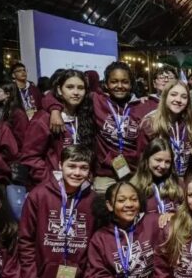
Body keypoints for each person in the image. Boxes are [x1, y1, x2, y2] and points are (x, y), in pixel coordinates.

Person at [18, 145, 96, 278]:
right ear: (60, 165)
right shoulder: (39, 195)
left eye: (83, 168)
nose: (77, 172)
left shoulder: (93, 200)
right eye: (71, 166)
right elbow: (25, 240)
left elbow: (98, 247)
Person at [45, 62, 142, 193]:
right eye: (114, 81)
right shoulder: (96, 100)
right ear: (106, 84)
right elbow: (51, 95)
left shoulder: (143, 106)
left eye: (125, 82)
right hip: (104, 175)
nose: (119, 86)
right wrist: (54, 110)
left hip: (134, 173)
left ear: (131, 84)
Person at [20, 70, 96, 186]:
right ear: (60, 90)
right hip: (54, 187)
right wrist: (51, 180)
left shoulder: (86, 115)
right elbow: (30, 157)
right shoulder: (44, 119)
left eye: (80, 88)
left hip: (82, 183)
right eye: (70, 87)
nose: (76, 92)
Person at [137, 81, 192, 179]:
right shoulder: (150, 124)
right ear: (165, 97)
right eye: (173, 95)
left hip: (181, 182)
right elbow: (142, 159)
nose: (178, 100)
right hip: (157, 183)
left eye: (184, 97)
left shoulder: (189, 124)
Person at [130, 137, 184, 226]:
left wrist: (175, 216)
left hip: (175, 235)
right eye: (158, 160)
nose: (163, 166)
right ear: (147, 159)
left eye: (167, 162)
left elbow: (188, 212)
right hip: (148, 236)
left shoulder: (178, 183)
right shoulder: (134, 187)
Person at [0, 82, 28, 151]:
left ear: (8, 94)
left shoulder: (18, 113)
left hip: (13, 153)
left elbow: (21, 138)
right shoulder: (0, 109)